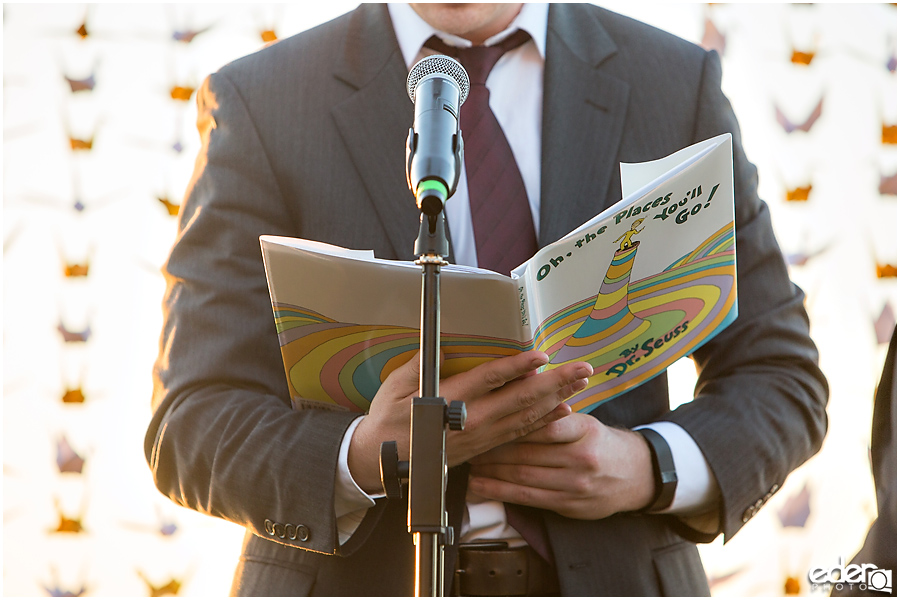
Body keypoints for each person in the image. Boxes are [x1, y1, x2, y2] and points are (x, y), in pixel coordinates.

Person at [144, 4, 829, 596]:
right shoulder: (260, 100)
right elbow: (190, 420)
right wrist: (365, 453)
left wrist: (647, 467)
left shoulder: (674, 84)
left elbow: (781, 376)